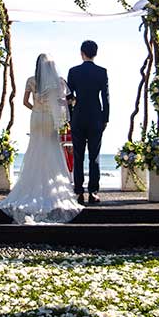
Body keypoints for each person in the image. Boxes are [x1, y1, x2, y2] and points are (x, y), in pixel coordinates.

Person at [0, 55, 83, 225]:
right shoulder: (58, 82)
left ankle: (32, 187)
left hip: (36, 118)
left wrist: (36, 109)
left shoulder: (31, 80)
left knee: (35, 150)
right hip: (49, 120)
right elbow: (62, 102)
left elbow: (24, 102)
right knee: (51, 151)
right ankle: (51, 190)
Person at [66, 40, 109, 205]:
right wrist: (105, 118)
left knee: (78, 156)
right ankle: (93, 192)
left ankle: (78, 192)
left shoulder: (73, 71)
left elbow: (68, 97)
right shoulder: (102, 72)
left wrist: (71, 116)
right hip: (96, 118)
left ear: (81, 52)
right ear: (95, 53)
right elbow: (105, 97)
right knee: (94, 157)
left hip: (77, 118)